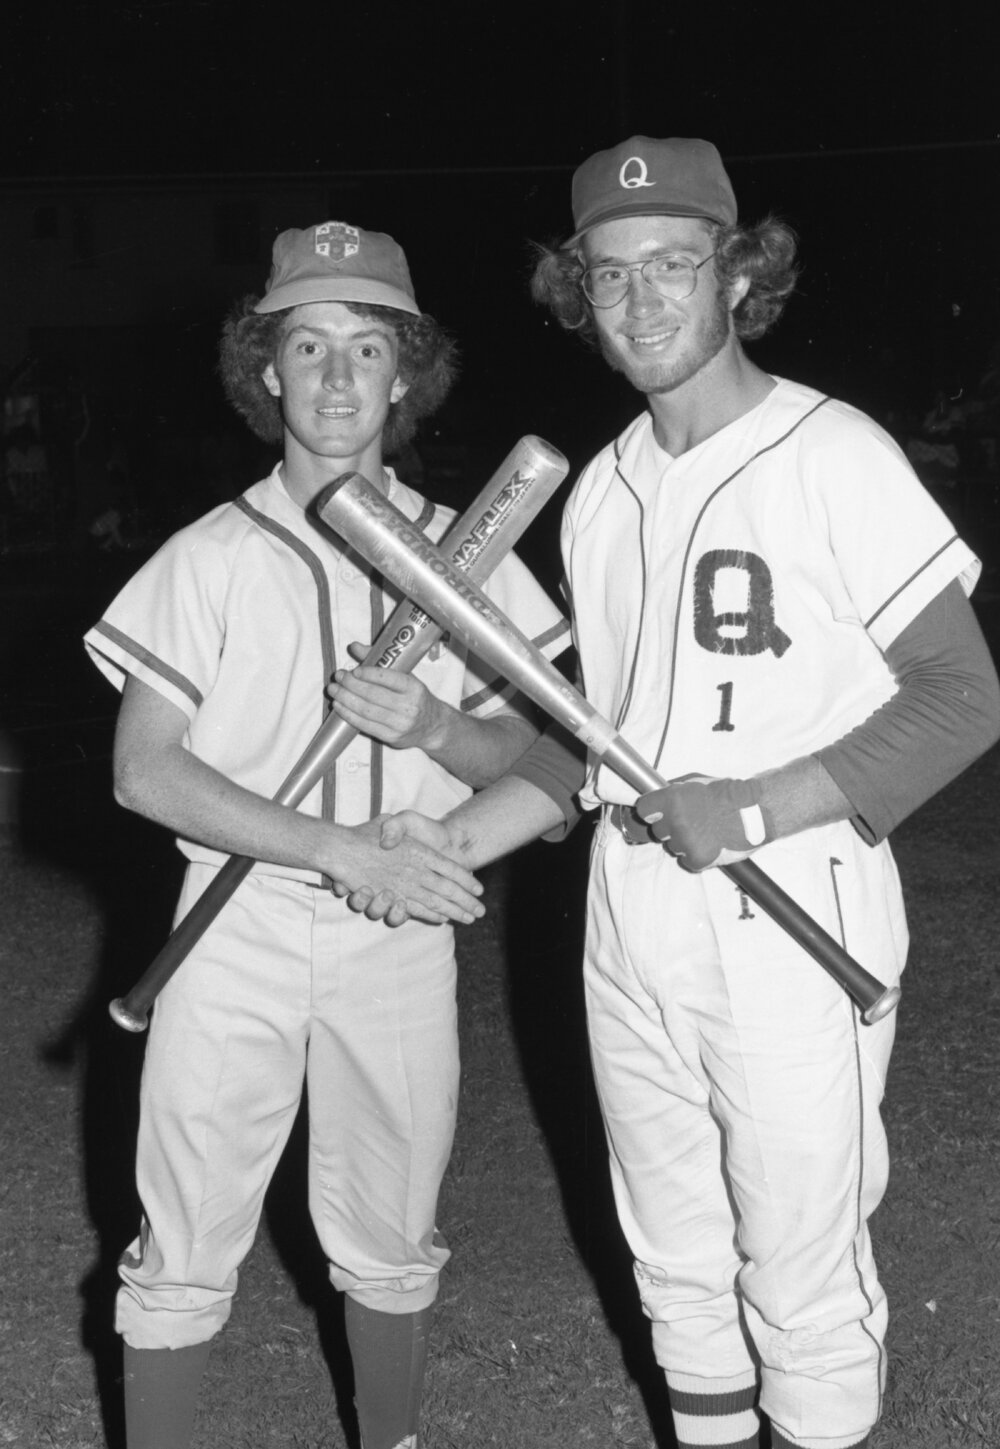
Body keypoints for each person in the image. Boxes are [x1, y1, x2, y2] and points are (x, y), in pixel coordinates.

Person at [355, 138, 1000, 1449]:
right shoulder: (599, 491)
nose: (642, 301)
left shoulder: (833, 452)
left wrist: (757, 803)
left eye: (675, 266)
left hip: (788, 894)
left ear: (740, 276)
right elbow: (595, 747)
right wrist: (448, 835)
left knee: (797, 1263)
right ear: (576, 295)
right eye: (610, 275)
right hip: (631, 911)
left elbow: (961, 695)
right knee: (676, 1252)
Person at [84, 219, 569, 1449]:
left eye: (367, 347)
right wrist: (339, 849)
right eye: (308, 347)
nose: (339, 378)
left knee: (392, 1234)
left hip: (395, 939)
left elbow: (551, 759)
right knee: (184, 1234)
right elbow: (146, 775)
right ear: (267, 375)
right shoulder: (208, 558)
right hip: (232, 932)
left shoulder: (466, 553)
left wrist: (440, 757)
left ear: (406, 374)